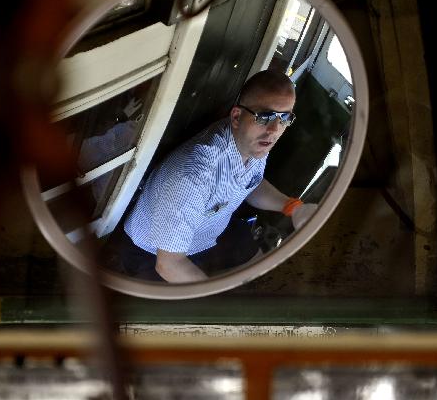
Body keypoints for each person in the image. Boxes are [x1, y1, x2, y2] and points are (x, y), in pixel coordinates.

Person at [116, 69, 317, 282]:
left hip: (208, 230)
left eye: (284, 118)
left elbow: (251, 184)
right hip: (152, 251)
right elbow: (169, 264)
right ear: (237, 116)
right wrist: (215, 305)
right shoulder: (191, 177)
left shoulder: (254, 141)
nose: (274, 130)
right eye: (264, 117)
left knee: (260, 270)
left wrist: (294, 208)